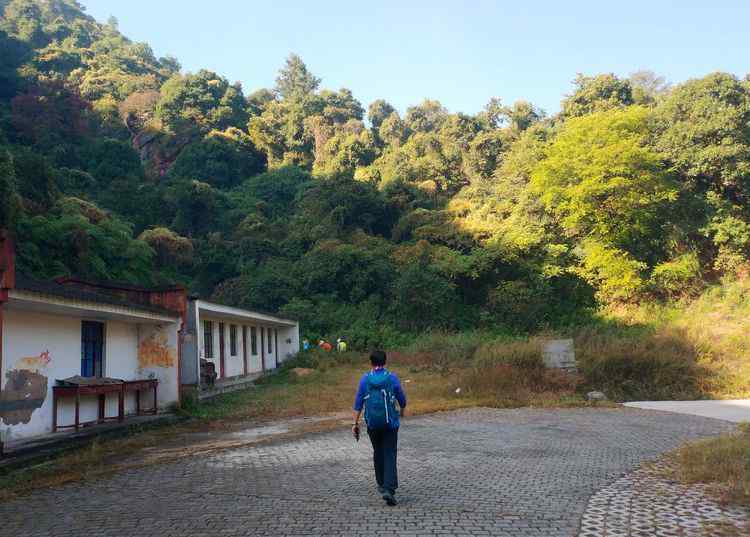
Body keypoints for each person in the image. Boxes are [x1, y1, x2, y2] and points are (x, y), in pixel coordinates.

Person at [352, 350, 407, 506]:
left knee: (378, 451)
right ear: (385, 361)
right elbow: (401, 398)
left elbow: (358, 403)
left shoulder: (365, 379)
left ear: (371, 362)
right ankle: (389, 489)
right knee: (389, 452)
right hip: (390, 423)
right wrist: (402, 410)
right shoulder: (392, 377)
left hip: (372, 424)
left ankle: (382, 484)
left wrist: (354, 423)